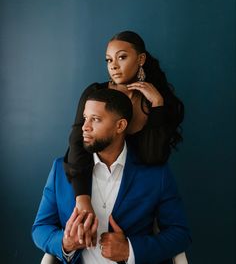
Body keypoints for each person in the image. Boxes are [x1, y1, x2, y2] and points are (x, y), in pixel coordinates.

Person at [32, 89, 191, 263]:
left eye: (96, 119)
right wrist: (65, 243)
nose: (85, 126)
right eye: (85, 118)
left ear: (120, 126)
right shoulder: (59, 171)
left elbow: (180, 234)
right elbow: (40, 228)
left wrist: (129, 249)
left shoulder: (156, 174)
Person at [64, 31, 184, 217]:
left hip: (139, 193)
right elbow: (77, 143)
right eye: (109, 60)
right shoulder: (95, 93)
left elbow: (154, 157)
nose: (114, 66)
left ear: (141, 59)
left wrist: (158, 106)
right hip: (94, 182)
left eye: (122, 57)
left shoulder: (154, 101)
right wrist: (82, 197)